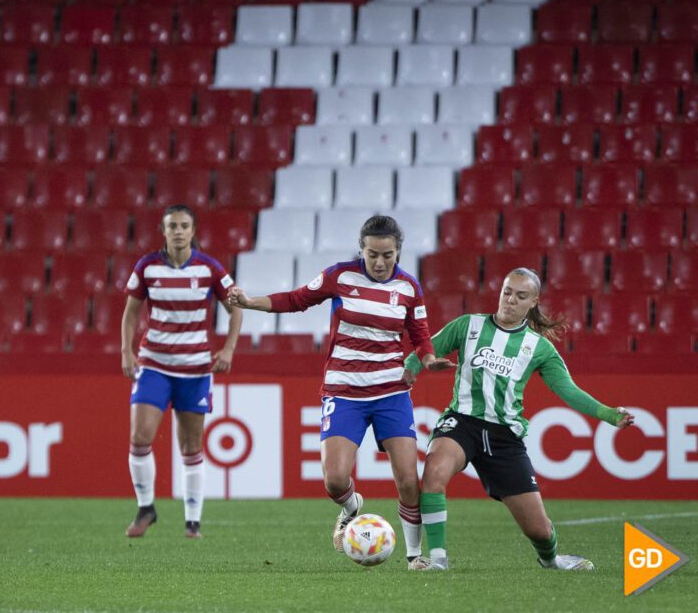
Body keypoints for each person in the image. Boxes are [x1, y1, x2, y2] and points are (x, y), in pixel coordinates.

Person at [228, 215, 454, 565]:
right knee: (335, 480)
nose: (379, 262)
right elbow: (296, 299)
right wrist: (248, 302)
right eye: (372, 254)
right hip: (344, 391)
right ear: (361, 249)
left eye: (388, 255)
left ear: (399, 252)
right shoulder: (340, 276)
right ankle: (352, 507)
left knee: (409, 479)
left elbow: (420, 334)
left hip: (391, 391)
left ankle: (414, 556)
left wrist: (428, 360)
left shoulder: (409, 288)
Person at [403, 267, 636, 572]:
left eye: (520, 296)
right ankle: (437, 561)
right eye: (507, 292)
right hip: (462, 423)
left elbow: (568, 390)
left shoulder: (539, 349)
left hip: (504, 438)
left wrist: (607, 414)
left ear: (533, 302)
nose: (510, 300)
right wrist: (412, 371)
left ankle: (551, 559)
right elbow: (424, 349)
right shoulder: (468, 325)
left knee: (540, 530)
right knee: (433, 474)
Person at [121, 204, 243, 539]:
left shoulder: (209, 268)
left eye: (184, 225)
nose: (178, 231)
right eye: (172, 225)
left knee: (191, 445)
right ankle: (146, 507)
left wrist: (229, 348)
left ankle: (193, 521)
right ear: (163, 231)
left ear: (193, 231)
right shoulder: (146, 267)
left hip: (195, 367)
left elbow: (236, 309)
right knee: (139, 437)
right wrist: (127, 351)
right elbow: (130, 313)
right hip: (154, 364)